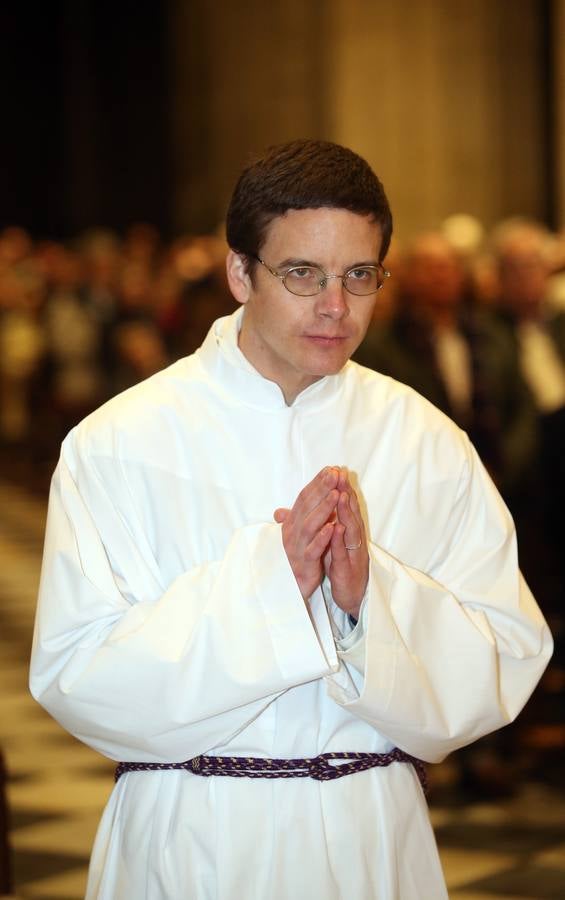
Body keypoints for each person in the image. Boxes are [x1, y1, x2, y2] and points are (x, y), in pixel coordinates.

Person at [30, 140, 552, 900]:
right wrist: (270, 583)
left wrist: (364, 605)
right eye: (302, 274)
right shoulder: (120, 441)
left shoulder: (424, 440)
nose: (335, 307)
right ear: (240, 272)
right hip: (190, 836)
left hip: (368, 834)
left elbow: (505, 653)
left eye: (359, 276)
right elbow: (75, 675)